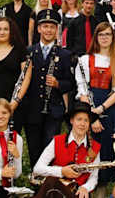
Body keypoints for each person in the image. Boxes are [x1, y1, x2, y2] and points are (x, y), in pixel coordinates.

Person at [22, 9, 74, 168]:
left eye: (52, 27)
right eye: (45, 26)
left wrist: (58, 84)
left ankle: (47, 182)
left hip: (53, 109)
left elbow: (71, 83)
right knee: (33, 146)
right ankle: (35, 179)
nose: (48, 30)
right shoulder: (29, 52)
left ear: (57, 30)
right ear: (38, 29)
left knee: (49, 147)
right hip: (32, 109)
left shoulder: (64, 54)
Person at [77, 23, 115, 182]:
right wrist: (92, 116)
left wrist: (101, 109)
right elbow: (82, 90)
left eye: (108, 34)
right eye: (101, 34)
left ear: (113, 38)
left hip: (110, 109)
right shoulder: (84, 60)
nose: (104, 38)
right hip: (89, 110)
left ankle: (106, 187)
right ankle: (88, 186)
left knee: (109, 148)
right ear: (96, 37)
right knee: (90, 149)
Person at [32, 102, 101, 198]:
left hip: (78, 193)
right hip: (57, 191)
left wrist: (86, 187)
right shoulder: (57, 141)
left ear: (89, 123)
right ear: (72, 120)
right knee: (51, 181)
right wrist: (61, 171)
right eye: (79, 119)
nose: (82, 124)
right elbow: (37, 169)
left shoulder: (95, 147)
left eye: (86, 120)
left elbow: (94, 177)